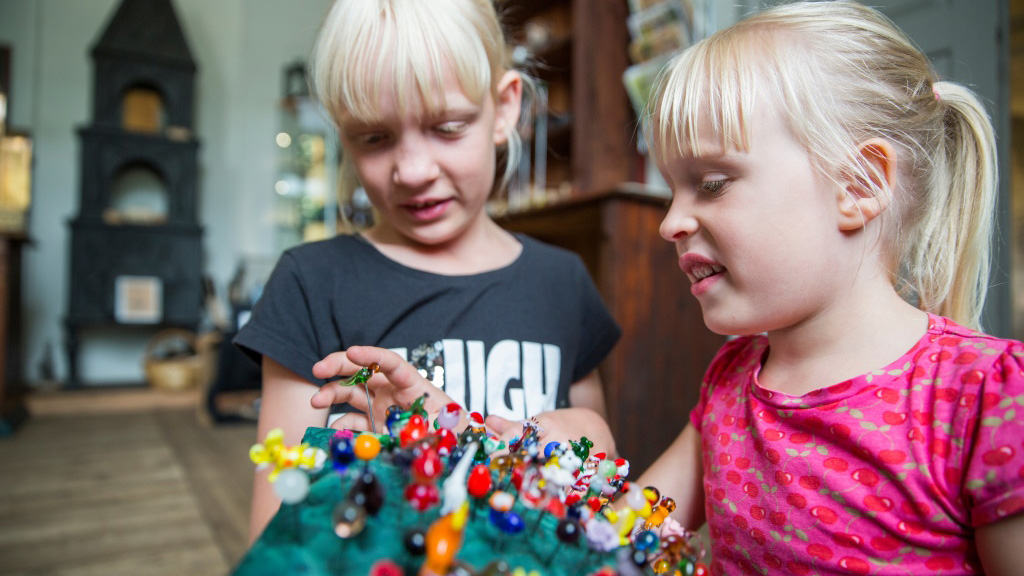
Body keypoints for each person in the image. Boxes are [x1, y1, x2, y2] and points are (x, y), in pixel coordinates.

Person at [631, 1, 1023, 574]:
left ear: (859, 184)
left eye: (710, 185)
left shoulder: (987, 397)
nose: (671, 223)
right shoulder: (728, 382)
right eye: (673, 191)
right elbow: (623, 530)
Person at [234, 0, 620, 543]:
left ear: (505, 108)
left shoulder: (564, 284)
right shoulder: (310, 282)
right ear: (342, 134)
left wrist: (589, 441)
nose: (412, 171)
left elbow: (602, 491)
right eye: (374, 137)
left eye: (447, 127)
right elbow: (278, 535)